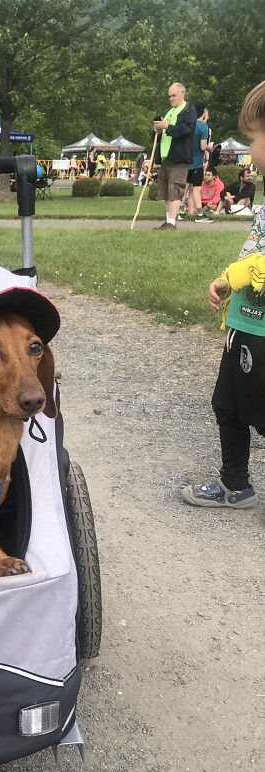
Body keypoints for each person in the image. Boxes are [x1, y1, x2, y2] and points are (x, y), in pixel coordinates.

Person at [182, 79, 265, 509]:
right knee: (227, 405)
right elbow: (253, 254)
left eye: (254, 138)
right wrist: (226, 283)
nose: (250, 151)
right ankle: (236, 485)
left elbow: (258, 265)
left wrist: (235, 276)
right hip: (245, 325)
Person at [153, 82, 197, 229]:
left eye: (174, 95)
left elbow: (186, 130)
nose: (171, 98)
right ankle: (167, 221)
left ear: (182, 93)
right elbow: (162, 134)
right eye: (169, 96)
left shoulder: (188, 110)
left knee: (176, 189)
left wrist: (167, 127)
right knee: (165, 191)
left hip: (179, 157)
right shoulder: (169, 112)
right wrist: (157, 131)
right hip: (166, 157)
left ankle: (172, 222)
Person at [180, 101, 211, 221]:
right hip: (197, 162)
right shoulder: (203, 127)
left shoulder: (189, 125)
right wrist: (210, 146)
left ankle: (180, 211)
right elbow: (203, 146)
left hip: (185, 161)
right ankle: (200, 214)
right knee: (197, 188)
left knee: (186, 187)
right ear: (203, 112)